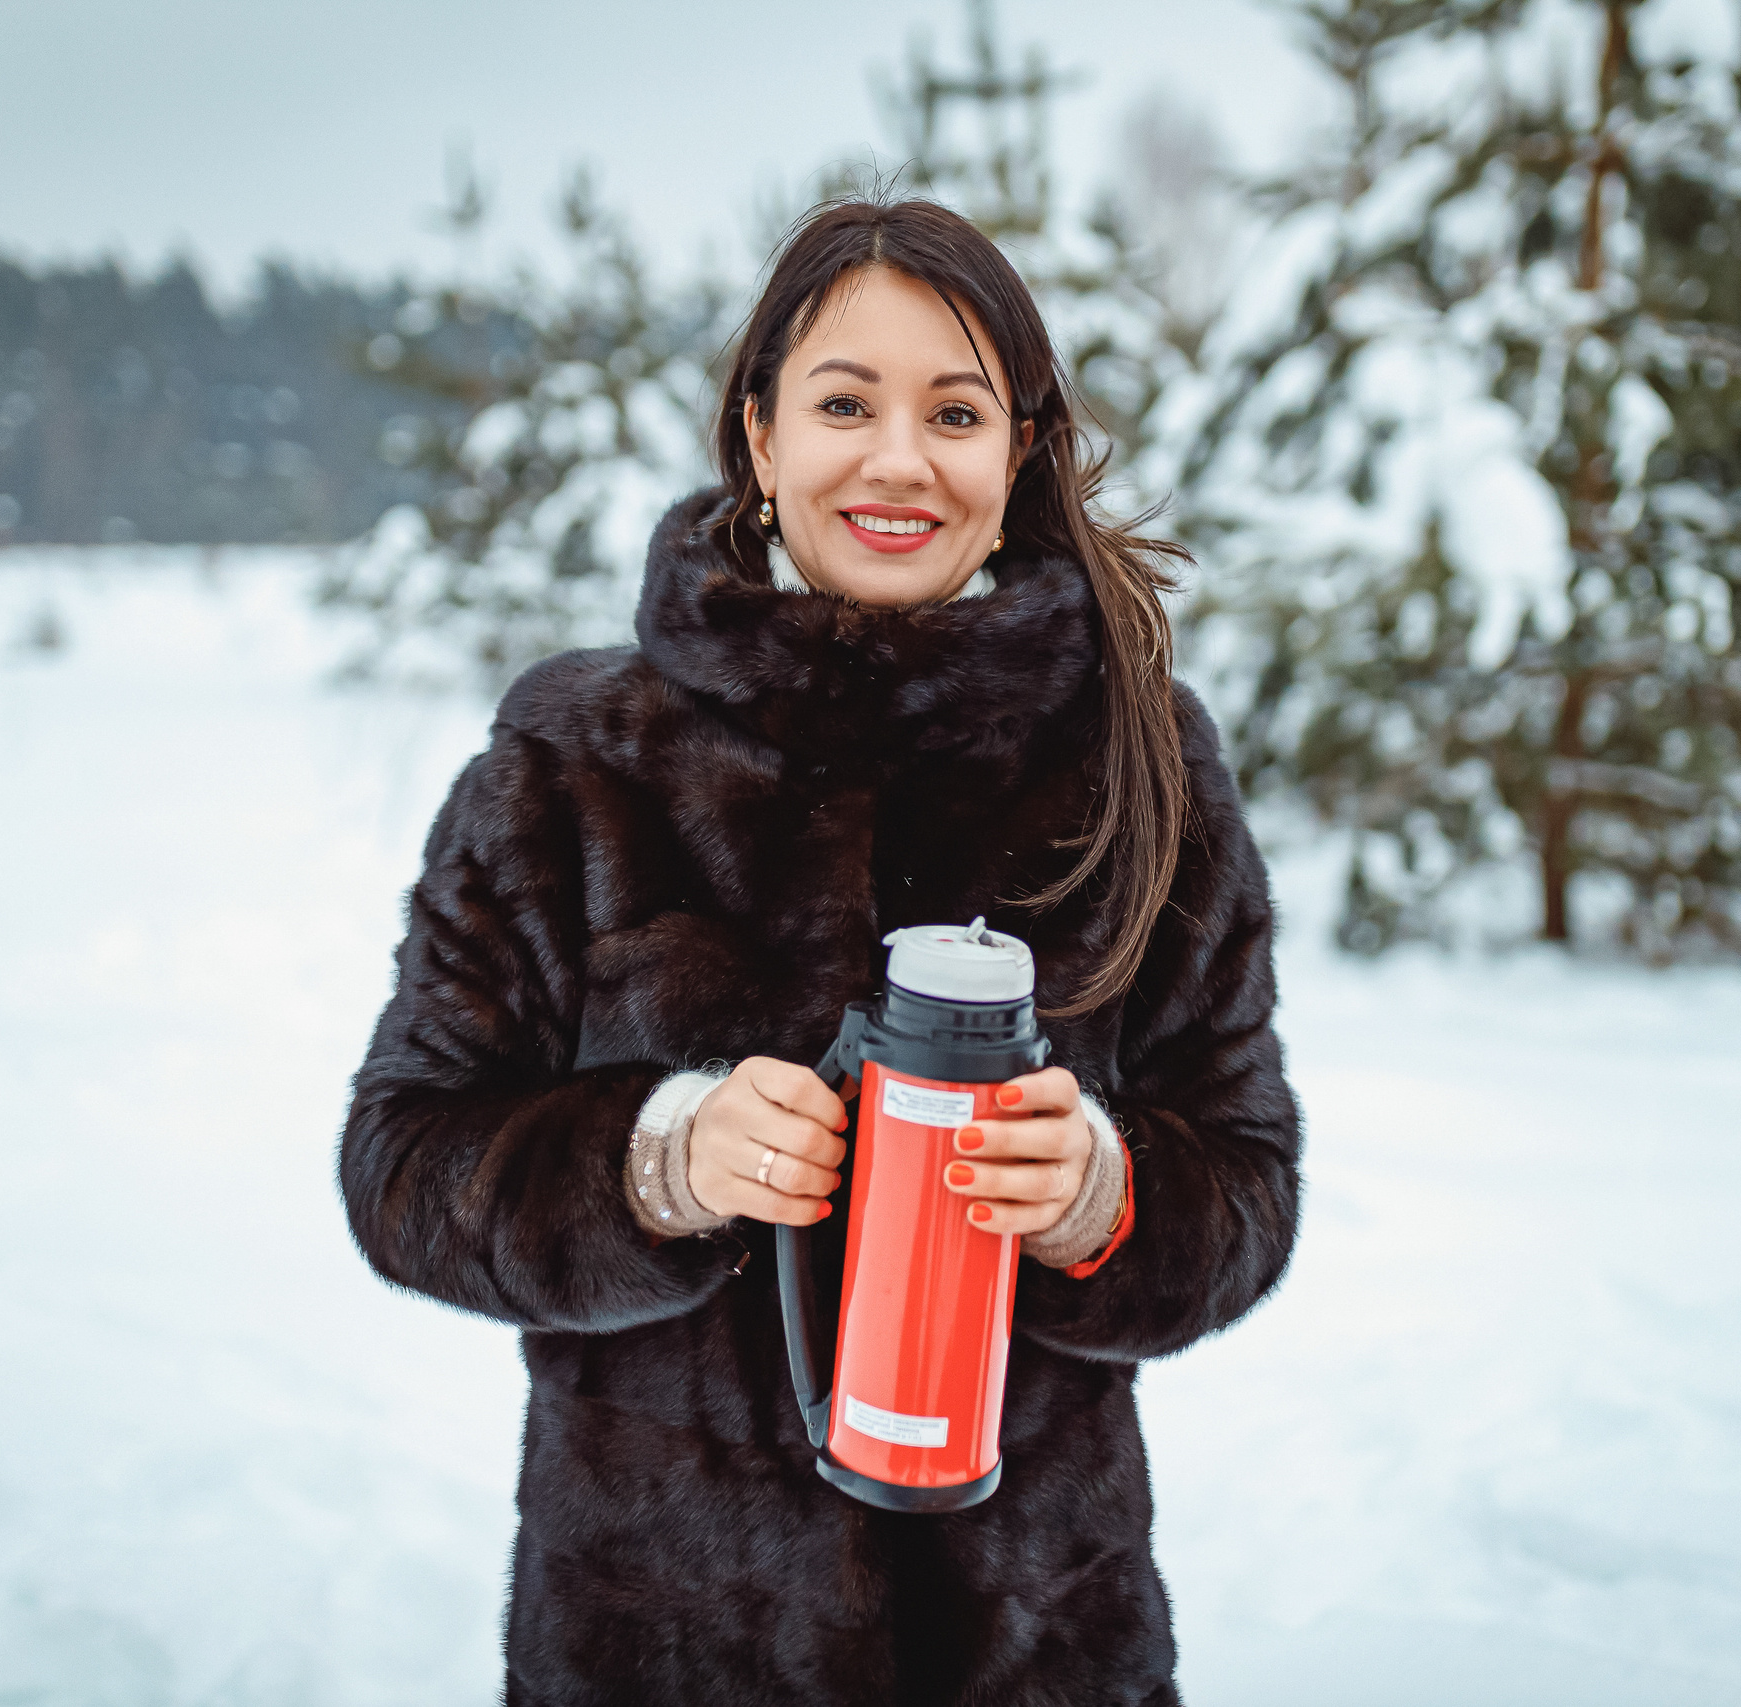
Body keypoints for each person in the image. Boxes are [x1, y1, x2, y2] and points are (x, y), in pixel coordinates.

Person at [339, 196, 1301, 1706]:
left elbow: (1249, 1179)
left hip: (1042, 1655)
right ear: (763, 437)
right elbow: (401, 1168)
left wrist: (1109, 1199)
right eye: (845, 402)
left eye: (956, 410)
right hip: (657, 1653)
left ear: (1020, 454)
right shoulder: (577, 765)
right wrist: (661, 1159)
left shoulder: (1137, 767)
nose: (900, 459)